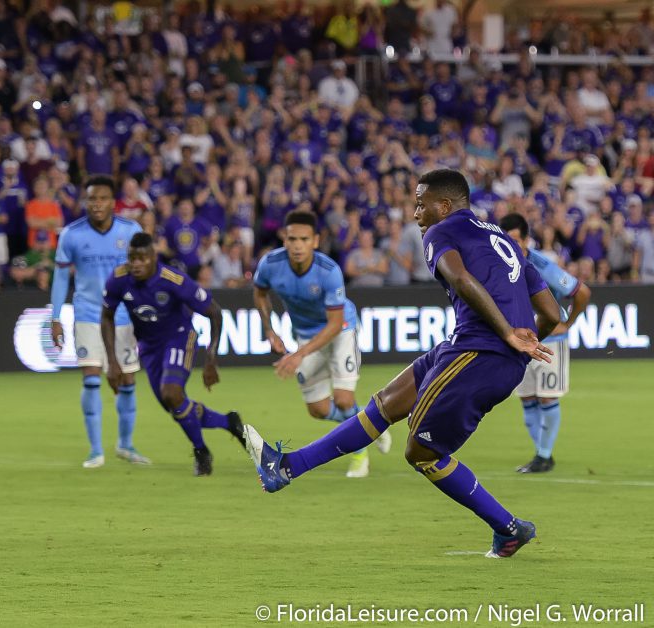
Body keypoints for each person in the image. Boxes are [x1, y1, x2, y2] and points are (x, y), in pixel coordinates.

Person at [243, 169, 561, 559]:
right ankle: (286, 467)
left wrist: (510, 339)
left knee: (421, 452)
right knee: (385, 404)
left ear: (444, 206)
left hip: (479, 354)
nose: (415, 211)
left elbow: (460, 280)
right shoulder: (502, 239)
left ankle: (508, 528)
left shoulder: (440, 233)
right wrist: (525, 340)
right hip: (469, 348)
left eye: (420, 202)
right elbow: (550, 311)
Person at [253, 211, 389, 479]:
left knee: (342, 398)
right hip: (305, 334)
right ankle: (370, 424)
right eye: (292, 239)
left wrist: (297, 355)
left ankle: (360, 455)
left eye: (304, 239)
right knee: (317, 409)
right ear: (285, 238)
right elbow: (260, 292)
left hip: (341, 331)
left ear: (315, 241)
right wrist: (269, 330)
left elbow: (335, 324)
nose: (297, 245)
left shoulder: (329, 271)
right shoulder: (270, 264)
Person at [102, 232, 245, 476]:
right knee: (176, 406)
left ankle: (201, 452)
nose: (136, 264)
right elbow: (106, 316)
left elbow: (214, 312)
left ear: (153, 257)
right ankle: (229, 422)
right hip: (148, 347)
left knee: (172, 393)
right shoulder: (118, 279)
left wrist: (211, 358)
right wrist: (112, 362)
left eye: (142, 258)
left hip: (179, 337)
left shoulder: (174, 279)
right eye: (132, 258)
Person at [50, 176, 148, 468]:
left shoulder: (131, 231)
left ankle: (125, 445)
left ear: (113, 202)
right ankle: (95, 451)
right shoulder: (71, 234)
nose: (97, 204)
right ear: (85, 201)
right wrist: (55, 316)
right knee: (91, 378)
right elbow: (59, 275)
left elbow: (145, 272)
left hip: (124, 317)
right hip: (88, 314)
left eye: (103, 198)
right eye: (92, 199)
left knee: (128, 380)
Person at [500, 213, 592, 473]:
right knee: (527, 398)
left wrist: (568, 323)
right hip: (521, 341)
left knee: (547, 398)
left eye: (516, 240)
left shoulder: (541, 265)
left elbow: (581, 291)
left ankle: (544, 454)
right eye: (507, 240)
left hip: (550, 340)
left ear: (527, 240)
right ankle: (542, 454)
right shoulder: (501, 264)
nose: (512, 245)